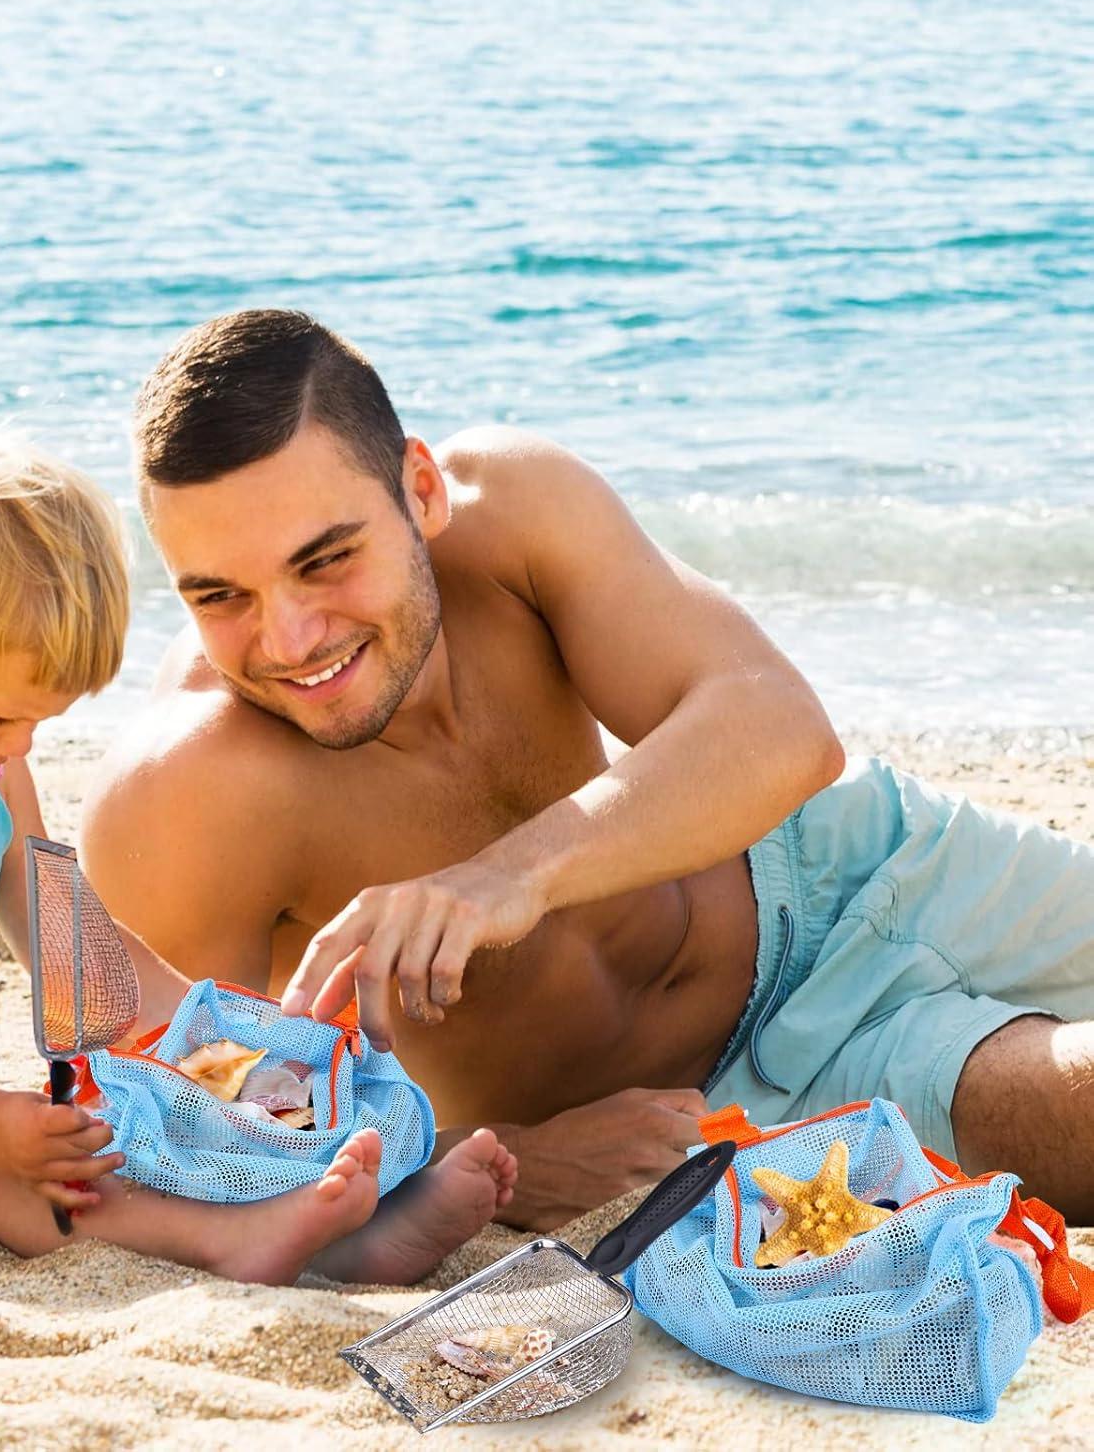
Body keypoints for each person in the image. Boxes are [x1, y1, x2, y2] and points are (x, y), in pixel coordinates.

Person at [82, 309, 1094, 1230]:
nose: (290, 639)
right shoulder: (185, 801)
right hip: (740, 1088)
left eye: (327, 559)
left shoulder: (512, 510)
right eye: (221, 596)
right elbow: (182, 1155)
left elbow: (786, 731)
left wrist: (505, 877)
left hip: (845, 862)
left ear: (422, 491)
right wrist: (495, 1161)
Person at [0, 422, 515, 1285]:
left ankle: (350, 1245)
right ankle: (234, 1246)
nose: (20, 742)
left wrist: (217, 1041)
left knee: (124, 1127)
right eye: (0, 715)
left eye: (42, 719)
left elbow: (63, 937)